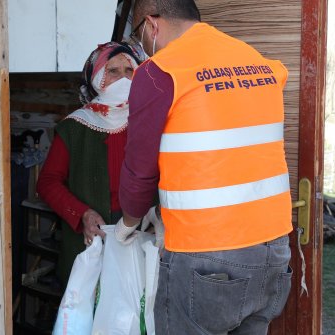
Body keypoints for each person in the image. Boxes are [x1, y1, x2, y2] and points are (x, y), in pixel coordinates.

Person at [114, 0, 294, 334]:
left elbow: (140, 169)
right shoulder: (257, 63)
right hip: (273, 250)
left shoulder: (160, 73)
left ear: (151, 25)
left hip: (206, 258)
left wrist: (130, 220)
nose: (143, 49)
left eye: (139, 37)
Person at [37, 42, 141, 286]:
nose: (123, 79)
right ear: (96, 78)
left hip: (139, 232)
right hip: (91, 235)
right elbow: (48, 182)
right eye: (113, 71)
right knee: (88, 314)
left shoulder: (147, 120)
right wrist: (81, 213)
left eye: (129, 71)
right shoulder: (75, 126)